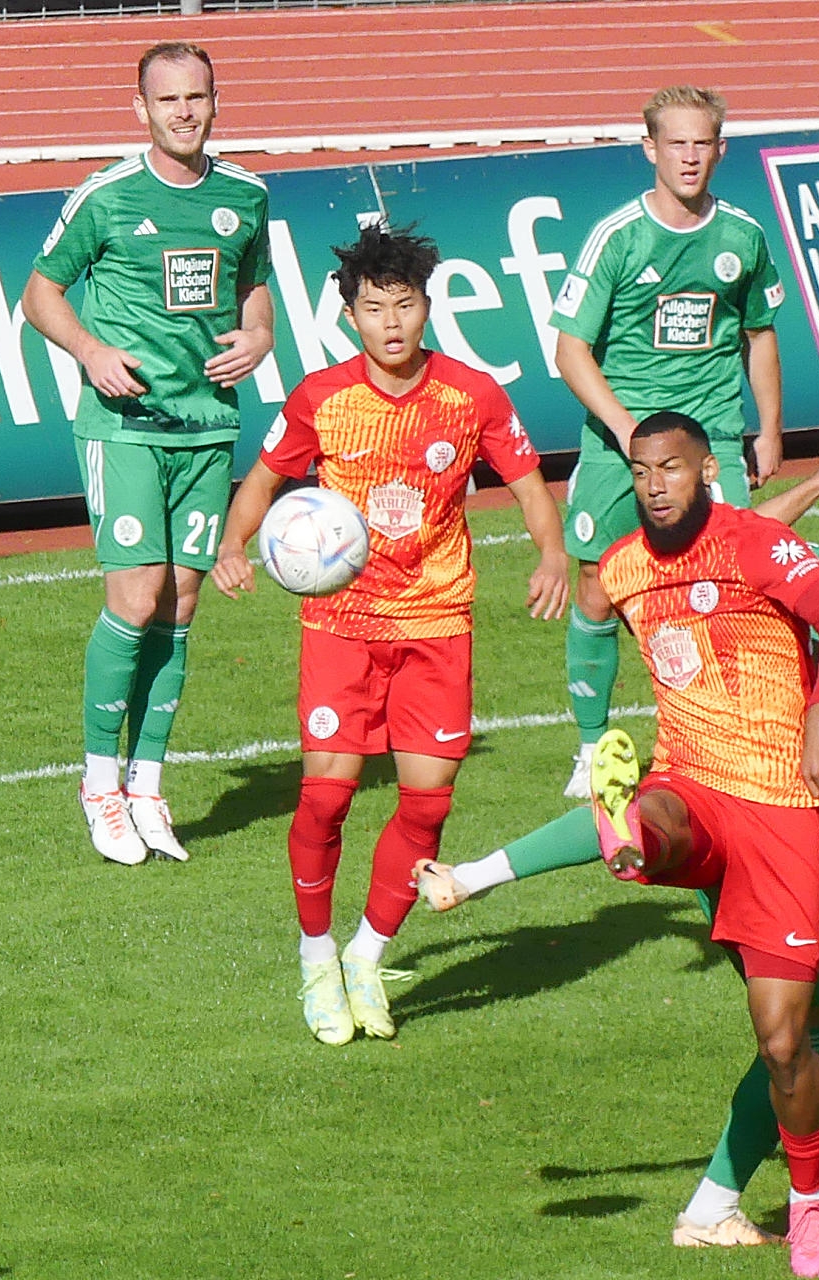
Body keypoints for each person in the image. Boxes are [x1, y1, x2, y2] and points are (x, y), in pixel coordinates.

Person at [414, 433, 819, 1251]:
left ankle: (564, 851)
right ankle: (731, 1207)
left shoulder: (812, 557)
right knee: (802, 1038)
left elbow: (749, 532)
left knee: (665, 821)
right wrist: (805, 828)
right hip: (780, 833)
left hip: (711, 792)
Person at [209, 226, 569, 1046]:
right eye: (374, 309)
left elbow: (528, 484)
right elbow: (264, 479)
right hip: (342, 625)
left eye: (404, 305)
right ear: (351, 317)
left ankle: (367, 956)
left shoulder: (471, 396)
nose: (391, 323)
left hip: (437, 622)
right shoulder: (321, 398)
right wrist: (233, 544)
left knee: (427, 803)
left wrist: (551, 554)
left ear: (426, 307)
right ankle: (315, 959)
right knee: (327, 797)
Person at [583, 411, 819, 1276]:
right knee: (663, 816)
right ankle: (632, 829)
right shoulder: (625, 567)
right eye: (641, 471)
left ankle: (811, 1205)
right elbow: (590, 619)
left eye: (670, 468)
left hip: (779, 806)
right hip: (694, 781)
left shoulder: (755, 545)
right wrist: (590, 731)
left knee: (787, 1044)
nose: (654, 485)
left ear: (706, 471)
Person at [23, 41, 275, 864]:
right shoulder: (105, 197)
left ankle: (147, 788)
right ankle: (100, 785)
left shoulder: (246, 195)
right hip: (124, 427)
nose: (184, 112)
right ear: (141, 109)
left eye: (196, 97)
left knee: (180, 605)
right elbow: (40, 294)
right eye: (168, 100)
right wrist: (92, 351)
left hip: (208, 427)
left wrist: (261, 334)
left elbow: (254, 286)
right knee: (134, 600)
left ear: (215, 101)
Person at [551, 84, 788, 800]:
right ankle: (591, 748)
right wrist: (632, 436)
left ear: (721, 149)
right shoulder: (618, 237)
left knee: (728, 584)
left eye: (702, 143)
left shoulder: (743, 236)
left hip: (711, 436)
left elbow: (759, 335)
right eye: (676, 143)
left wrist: (770, 428)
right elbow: (569, 351)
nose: (689, 157)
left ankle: (724, 737)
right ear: (649, 148)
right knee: (597, 590)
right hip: (618, 442)